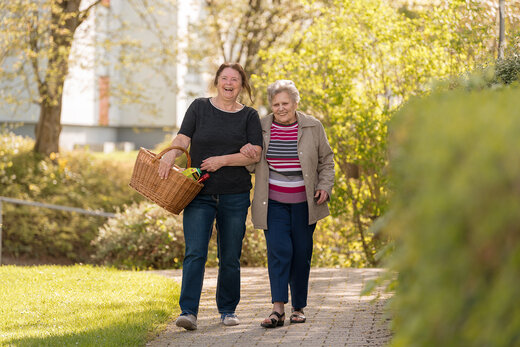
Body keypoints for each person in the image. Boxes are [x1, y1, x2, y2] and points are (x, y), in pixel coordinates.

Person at [158, 62, 263, 330]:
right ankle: (188, 312)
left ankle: (227, 310)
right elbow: (183, 138)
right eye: (225, 78)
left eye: (235, 80)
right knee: (195, 252)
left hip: (235, 195)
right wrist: (171, 152)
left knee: (230, 255)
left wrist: (222, 161)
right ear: (217, 81)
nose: (229, 83)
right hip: (198, 193)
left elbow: (255, 154)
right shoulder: (199, 107)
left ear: (242, 85)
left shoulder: (249, 116)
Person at [241, 80, 335, 328]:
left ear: (295, 103)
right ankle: (278, 309)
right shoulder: (261, 126)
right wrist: (247, 152)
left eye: (285, 103)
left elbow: (327, 160)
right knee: (279, 252)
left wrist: (324, 186)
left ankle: (299, 307)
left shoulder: (313, 126)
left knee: (301, 254)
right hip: (273, 203)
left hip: (305, 204)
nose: (280, 108)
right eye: (276, 104)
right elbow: (252, 163)